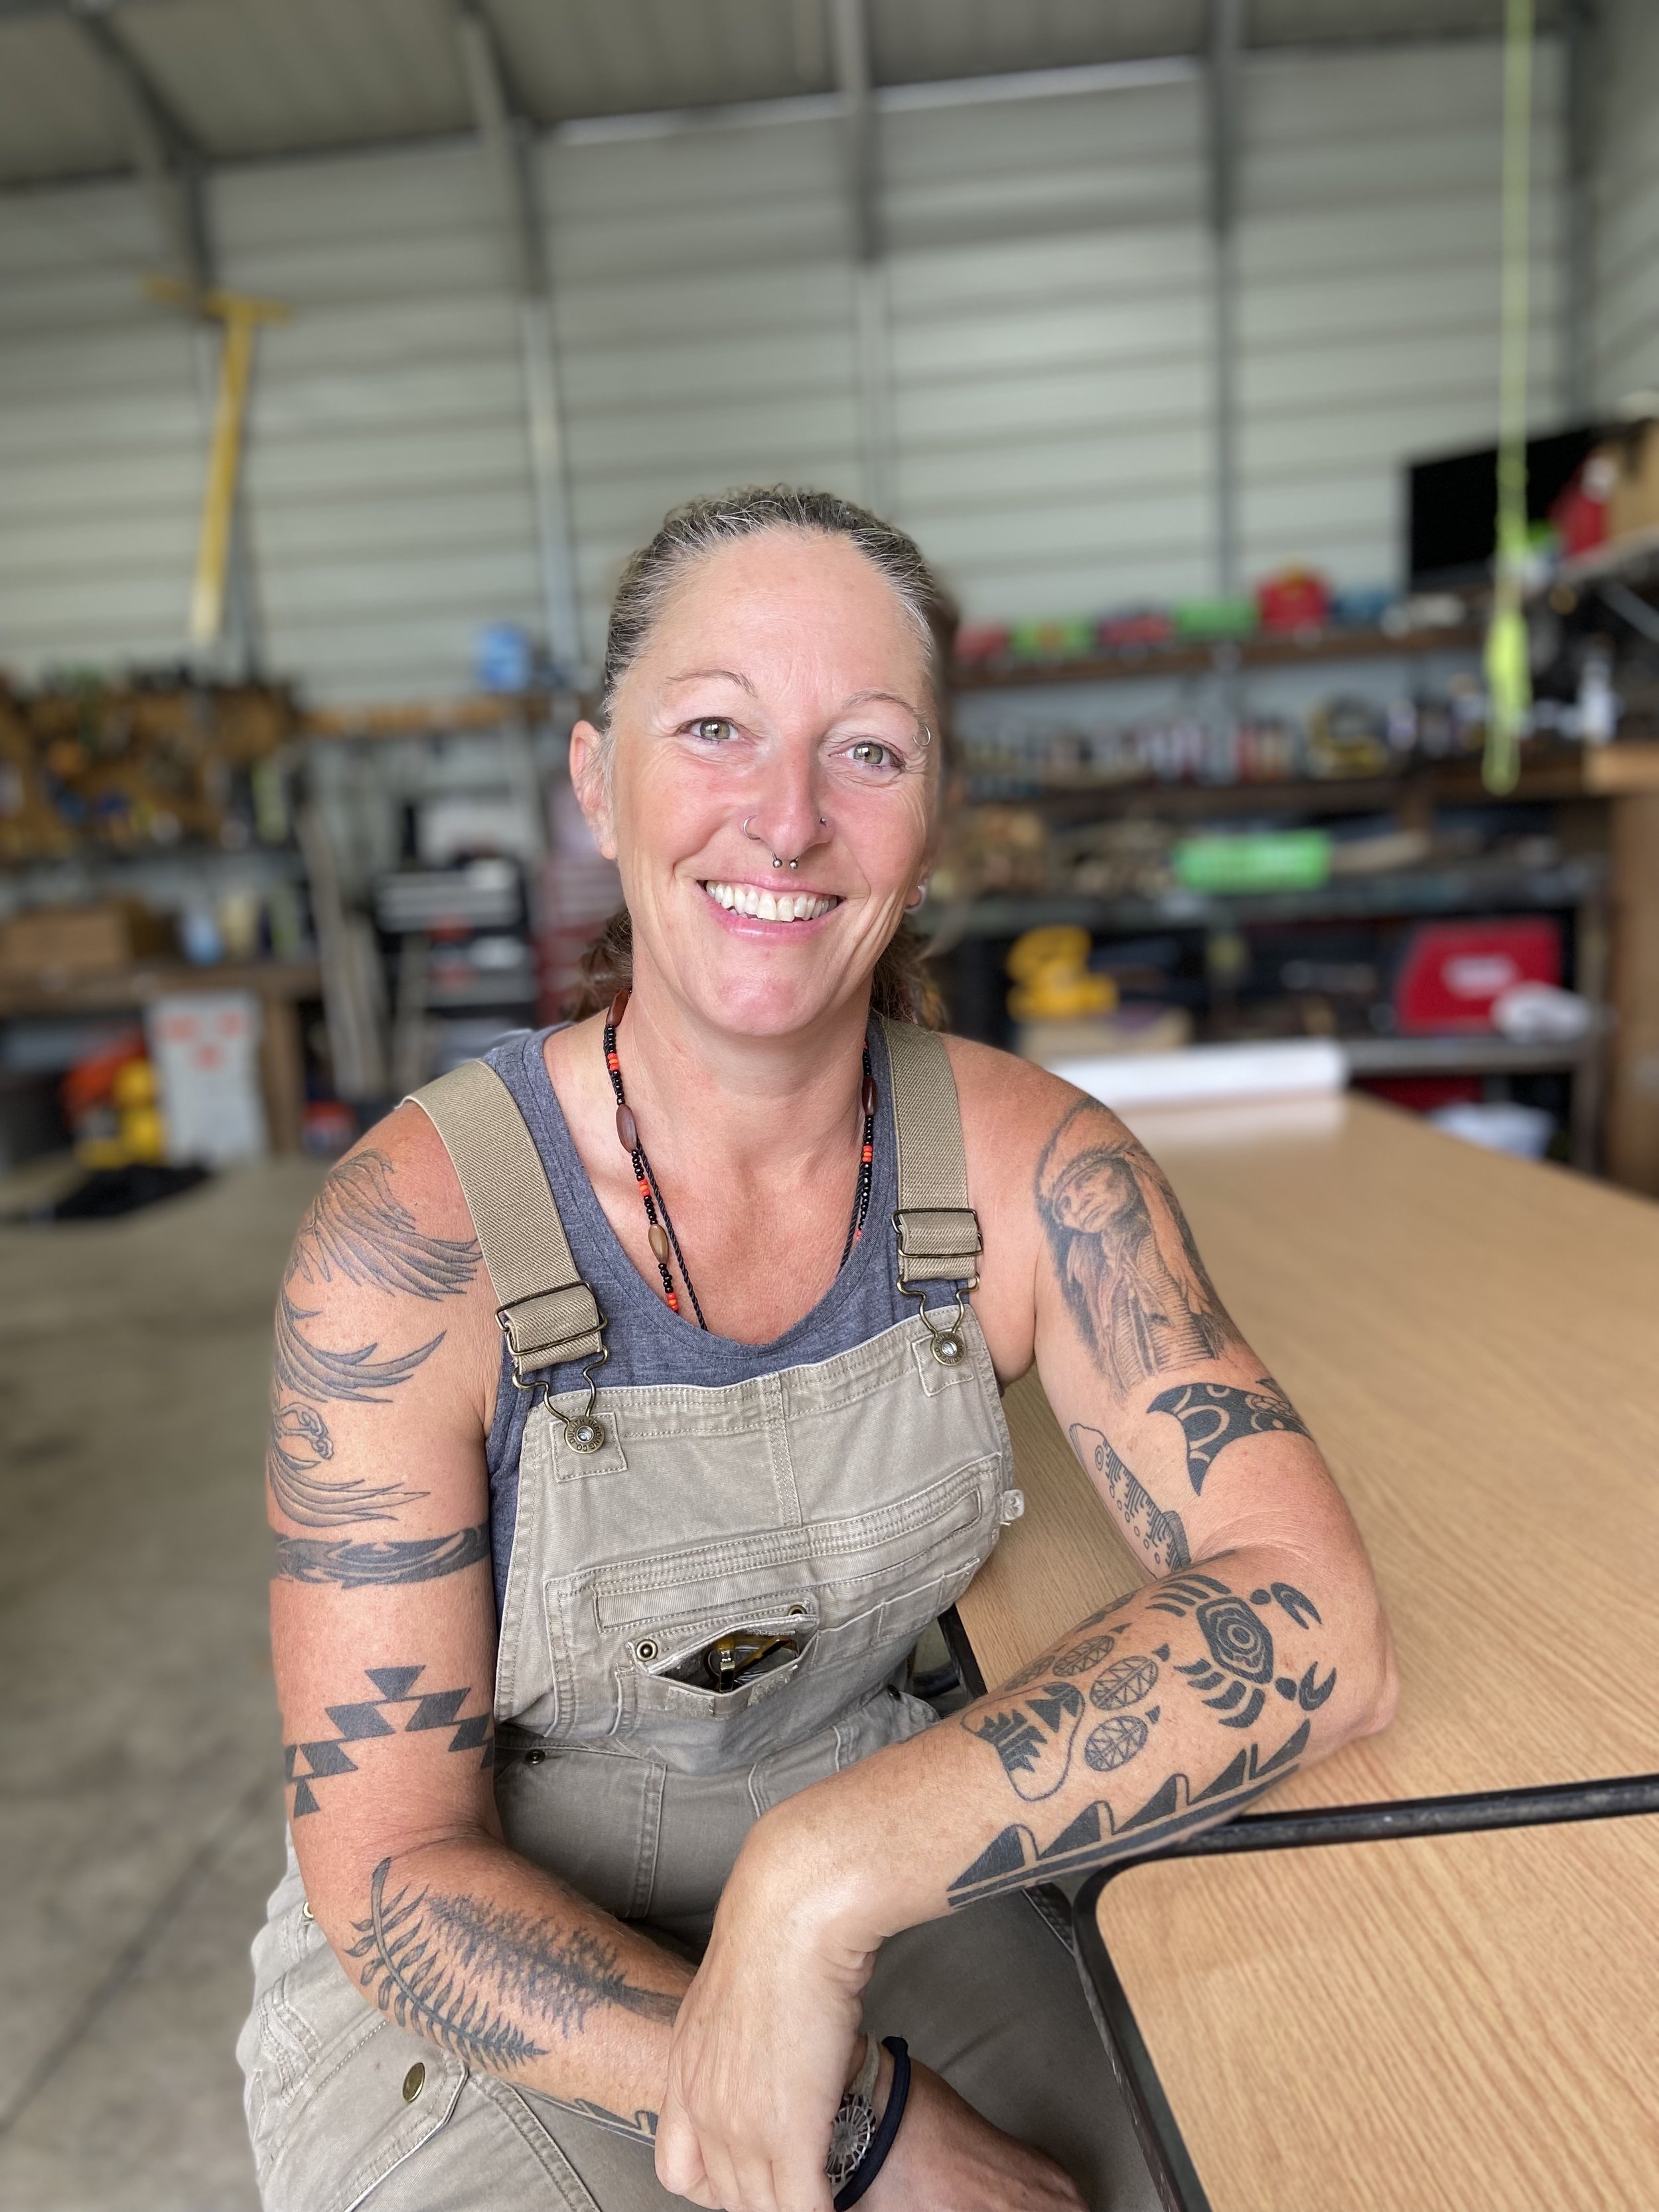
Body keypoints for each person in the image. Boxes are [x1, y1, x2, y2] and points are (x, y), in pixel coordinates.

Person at [239, 486, 1396, 2212]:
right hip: (489, 1966)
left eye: (866, 751)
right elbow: (395, 1864)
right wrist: (858, 2125)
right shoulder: (411, 1246)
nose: (782, 822)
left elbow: (1318, 1629)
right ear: (591, 779)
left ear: (931, 815)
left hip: (899, 1876)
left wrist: (812, 1884)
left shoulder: (1029, 1170)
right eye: (713, 728)